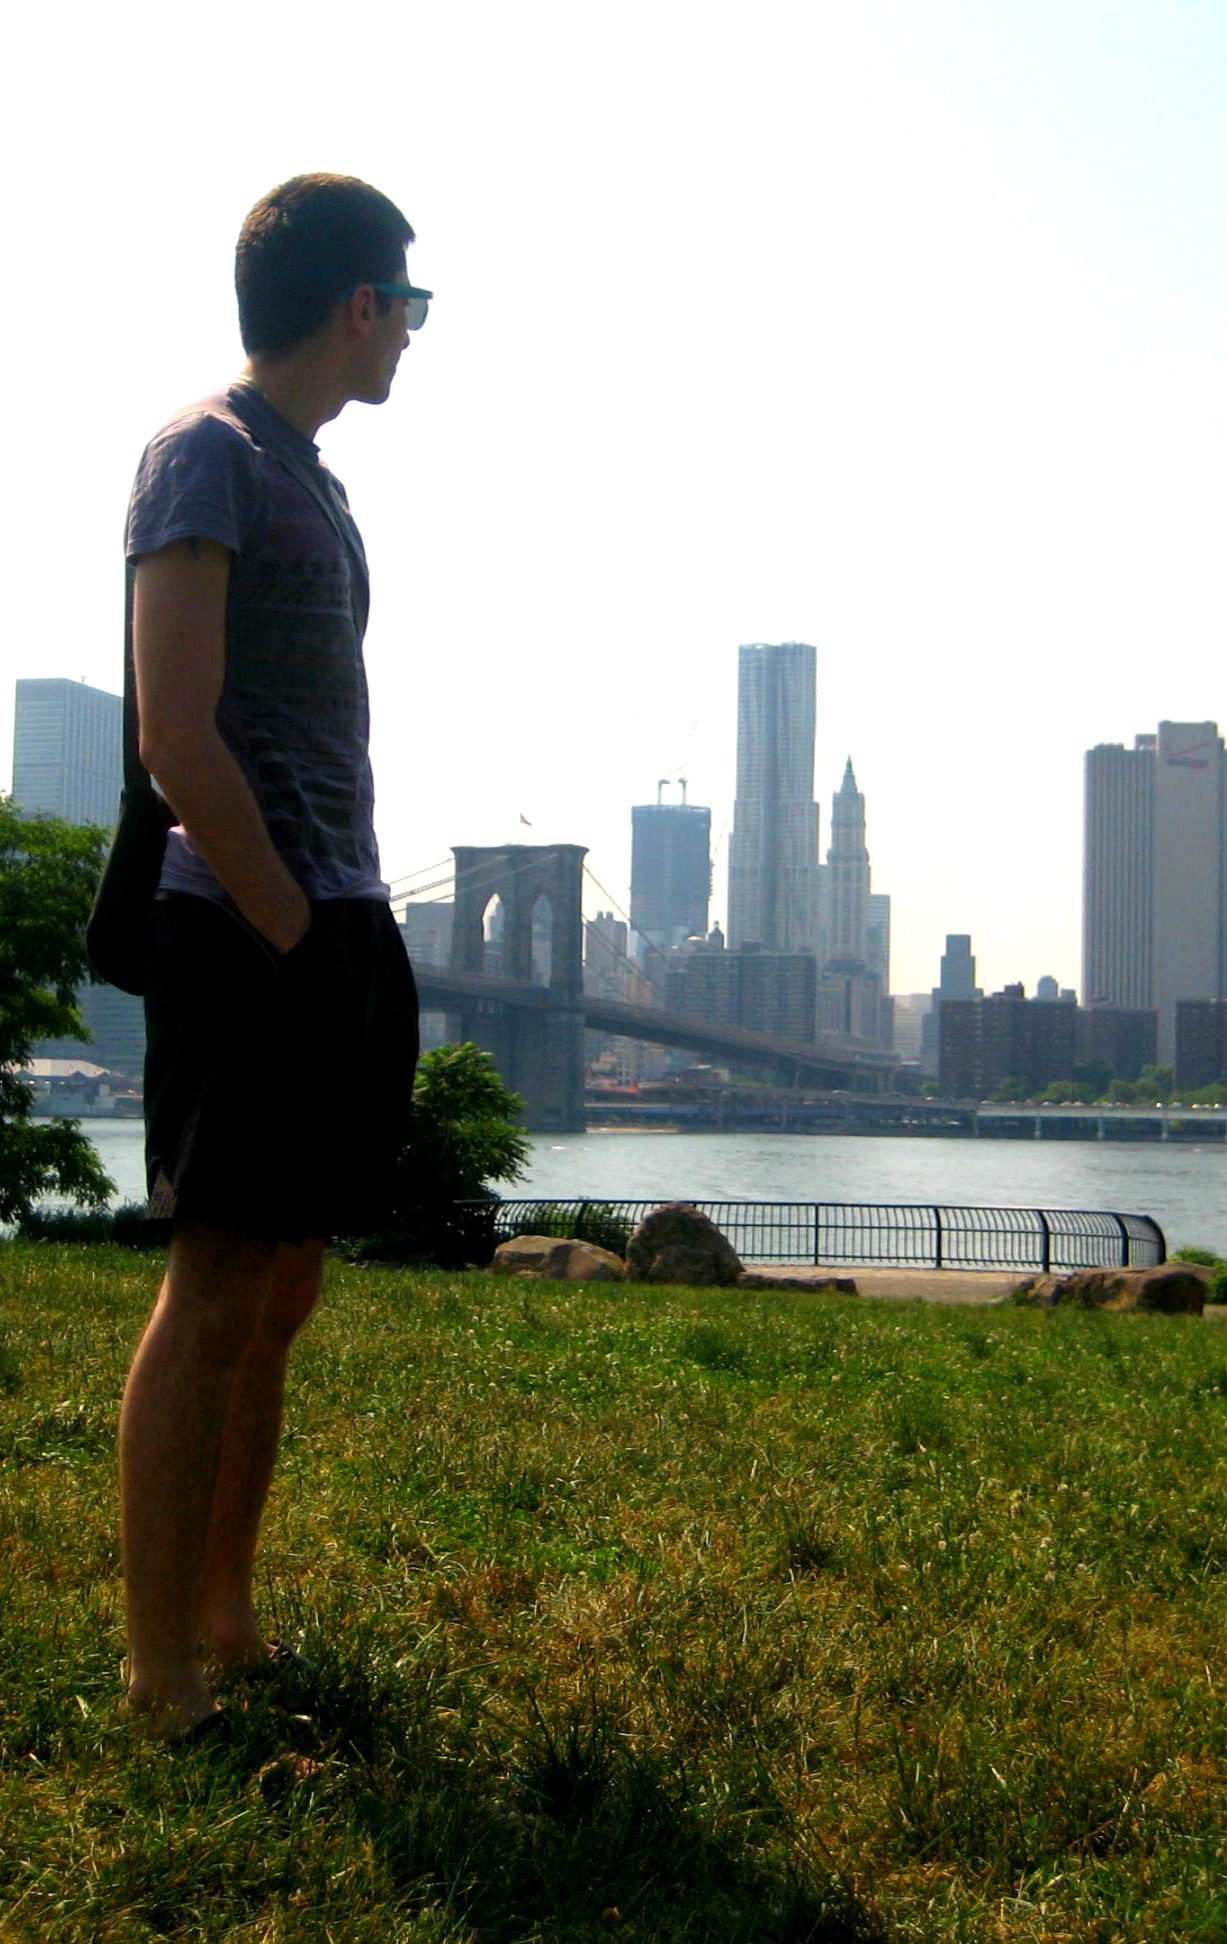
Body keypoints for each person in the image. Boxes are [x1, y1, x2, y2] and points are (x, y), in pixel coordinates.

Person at [117, 175, 427, 1741]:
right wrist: (286, 922)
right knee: (216, 1284)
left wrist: (340, 925)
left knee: (285, 1283)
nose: (414, 335)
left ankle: (227, 1620)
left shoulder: (311, 475)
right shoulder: (208, 455)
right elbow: (175, 732)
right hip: (250, 927)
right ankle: (158, 1668)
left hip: (338, 913)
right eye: (410, 306)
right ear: (357, 305)